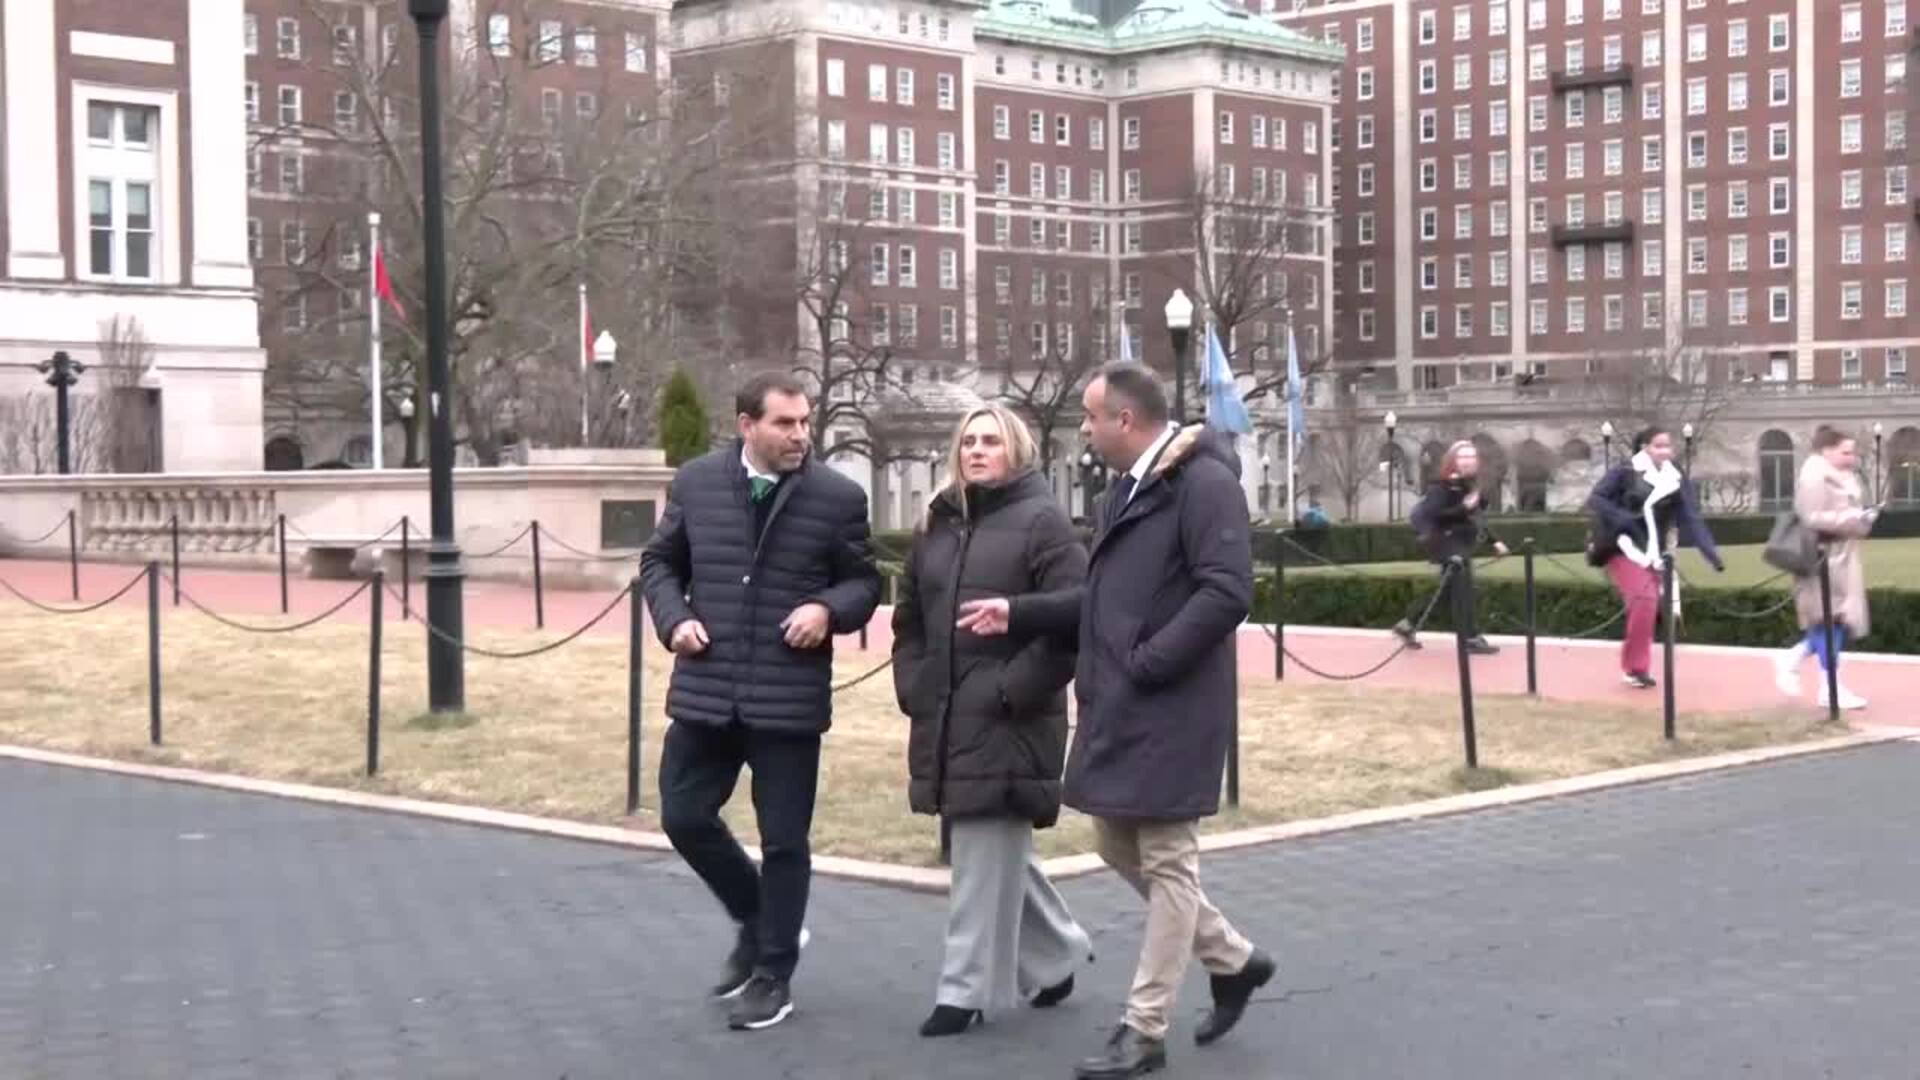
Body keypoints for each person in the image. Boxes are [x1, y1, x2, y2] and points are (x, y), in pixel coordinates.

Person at [639, 372, 882, 1032]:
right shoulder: (696, 483)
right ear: (747, 425)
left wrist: (827, 609)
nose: (800, 434)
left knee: (784, 842)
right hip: (707, 690)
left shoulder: (837, 497)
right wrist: (674, 619)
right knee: (684, 815)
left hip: (787, 700)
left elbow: (865, 582)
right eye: (785, 423)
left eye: (805, 422)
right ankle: (759, 919)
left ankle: (773, 974)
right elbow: (659, 564)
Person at [1063, 363, 1275, 1080]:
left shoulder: (1203, 482)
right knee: (1114, 842)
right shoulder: (1127, 489)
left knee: (1167, 859)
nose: (1085, 431)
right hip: (1122, 701)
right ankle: (1234, 960)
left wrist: (1151, 661)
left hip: (1174, 703)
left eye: (1091, 417)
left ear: (1125, 420)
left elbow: (1227, 589)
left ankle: (1143, 1029)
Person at [890, 404, 1092, 1038]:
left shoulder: (1044, 523)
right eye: (969, 441)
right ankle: (1055, 954)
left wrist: (1011, 691)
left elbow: (1073, 620)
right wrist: (917, 685)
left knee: (981, 844)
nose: (977, 451)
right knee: (987, 845)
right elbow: (909, 621)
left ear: (1017, 452)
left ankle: (964, 990)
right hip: (946, 711)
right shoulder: (934, 525)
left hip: (1013, 717)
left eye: (991, 442)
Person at [1585, 426, 1725, 689]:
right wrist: (1624, 519)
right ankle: (1635, 668)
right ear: (1644, 448)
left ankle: (1637, 664)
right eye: (1658, 445)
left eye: (1667, 446)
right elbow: (1597, 499)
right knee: (1644, 599)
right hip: (1622, 545)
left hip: (1653, 551)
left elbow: (1690, 517)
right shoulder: (1625, 471)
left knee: (1652, 605)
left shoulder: (1675, 478)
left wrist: (1710, 552)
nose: (1664, 451)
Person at [1775, 425, 1881, 710]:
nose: (1851, 457)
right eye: (1845, 452)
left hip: (1842, 556)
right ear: (1827, 450)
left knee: (1839, 621)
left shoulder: (1842, 477)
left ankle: (1795, 659)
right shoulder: (1814, 477)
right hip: (1821, 557)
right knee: (1829, 620)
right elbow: (1811, 517)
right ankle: (1829, 685)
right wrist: (1852, 517)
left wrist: (1861, 519)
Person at [1394, 440, 1508, 654]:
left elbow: (1475, 517)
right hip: (1445, 542)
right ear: (1453, 461)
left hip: (1460, 543)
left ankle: (1407, 624)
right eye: (1463, 457)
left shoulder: (1471, 486)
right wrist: (1462, 507)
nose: (1468, 462)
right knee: (1463, 590)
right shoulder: (1442, 486)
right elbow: (1434, 515)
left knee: (1447, 591)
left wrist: (1495, 541)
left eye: (1472, 457)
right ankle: (1470, 638)